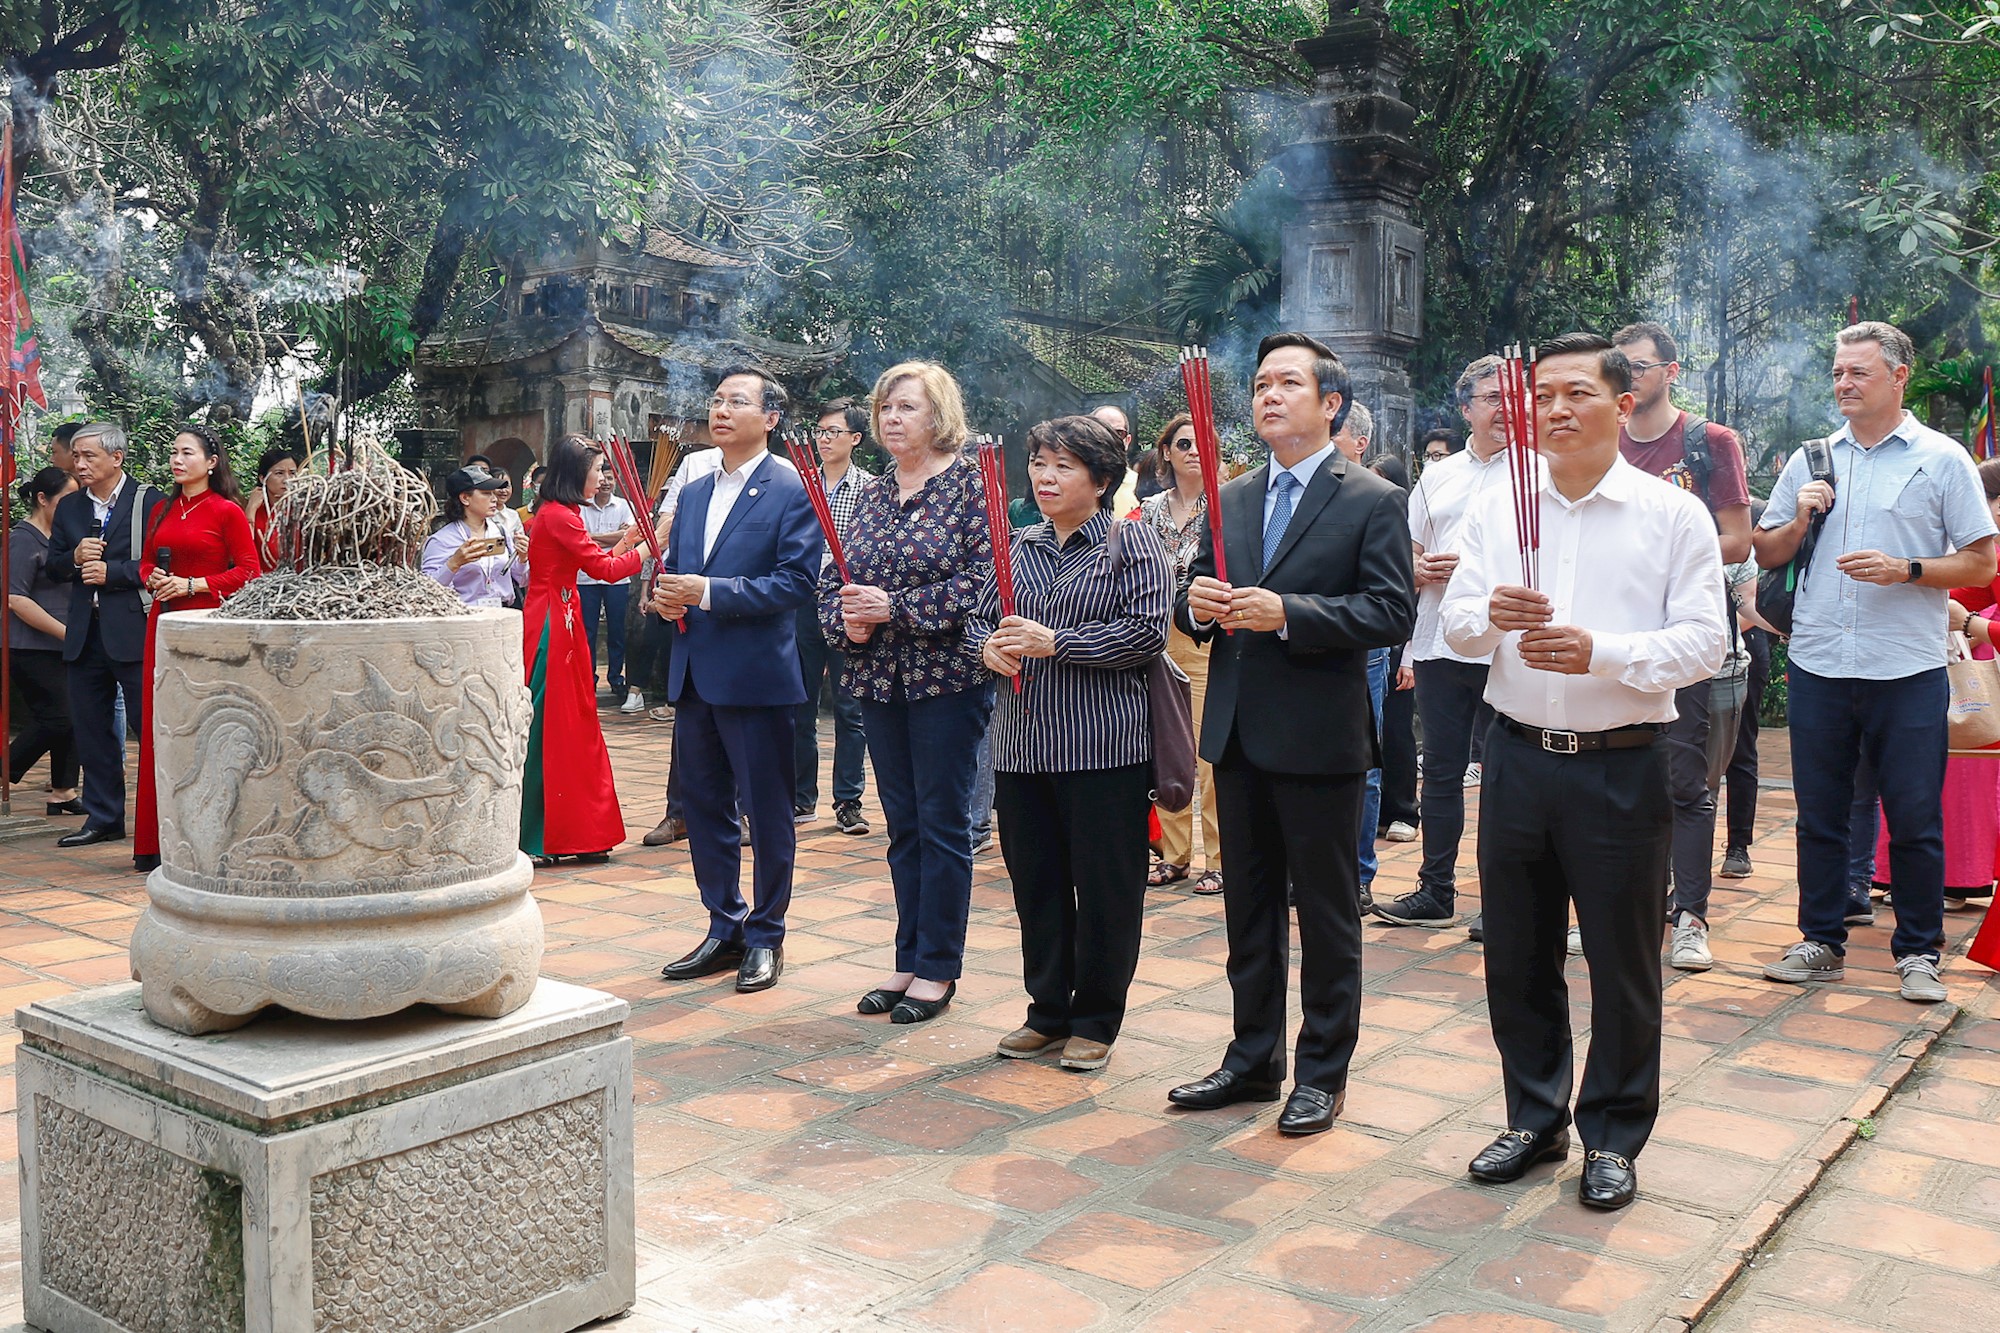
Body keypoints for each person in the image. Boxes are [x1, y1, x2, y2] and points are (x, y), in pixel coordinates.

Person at [1443, 331, 1727, 1211]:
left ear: (1623, 403)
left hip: (1621, 765)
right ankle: (1533, 1116)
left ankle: (1613, 1133)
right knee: (1517, 955)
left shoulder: (1670, 513)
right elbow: (1454, 627)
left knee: (1622, 959)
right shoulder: (1499, 506)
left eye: (1577, 394)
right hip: (1518, 757)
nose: (1557, 410)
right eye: (1543, 396)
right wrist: (1488, 614)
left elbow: (1705, 642)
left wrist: (1602, 651)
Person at [1165, 332, 1416, 1136]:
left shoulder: (1370, 497)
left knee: (1329, 915)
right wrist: (1193, 608)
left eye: (1288, 383)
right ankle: (1251, 1059)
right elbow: (1195, 598)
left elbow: (1391, 612)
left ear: (1330, 403)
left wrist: (1293, 615)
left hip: (1320, 738)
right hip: (1238, 733)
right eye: (1262, 384)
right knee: (1249, 910)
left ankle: (1322, 1073)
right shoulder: (1233, 497)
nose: (1269, 395)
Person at [1755, 321, 1997, 1005]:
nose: (1843, 384)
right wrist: (1799, 519)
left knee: (1915, 814)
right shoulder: (1811, 458)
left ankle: (1919, 950)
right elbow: (1767, 551)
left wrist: (1908, 569)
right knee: (1820, 814)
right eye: (1837, 372)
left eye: (1858, 372)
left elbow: (1982, 559)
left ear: (1898, 376)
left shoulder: (1942, 458)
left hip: (1908, 669)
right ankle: (1821, 940)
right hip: (1821, 664)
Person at [968, 415, 1173, 1070]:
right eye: (1039, 463)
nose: (1046, 476)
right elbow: (976, 621)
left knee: (1108, 888)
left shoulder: (1131, 544)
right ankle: (1046, 1010)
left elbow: (1146, 633)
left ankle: (1097, 1018)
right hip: (1022, 748)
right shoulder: (1015, 544)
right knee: (1037, 885)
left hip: (1103, 749)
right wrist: (988, 649)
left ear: (1102, 477)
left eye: (1063, 465)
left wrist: (1059, 642)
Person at [822, 361, 993, 1026]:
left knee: (944, 824)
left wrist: (896, 606)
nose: (892, 418)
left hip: (947, 677)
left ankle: (939, 965)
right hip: (877, 679)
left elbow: (987, 581)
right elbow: (833, 578)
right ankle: (907, 955)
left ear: (939, 414)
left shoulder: (971, 482)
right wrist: (849, 619)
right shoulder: (870, 492)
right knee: (903, 826)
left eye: (908, 408)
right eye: (886, 406)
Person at [652, 367, 821, 994]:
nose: (721, 410)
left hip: (756, 676)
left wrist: (710, 592)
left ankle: (767, 933)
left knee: (767, 810)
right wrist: (668, 597)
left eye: (737, 401)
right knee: (704, 805)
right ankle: (724, 923)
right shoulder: (693, 488)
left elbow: (798, 583)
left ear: (771, 418)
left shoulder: (790, 488)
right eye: (717, 400)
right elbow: (679, 573)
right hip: (695, 670)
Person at [1610, 322, 1752, 972]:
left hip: (1686, 629)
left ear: (1670, 370)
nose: (1630, 377)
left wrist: (1661, 550)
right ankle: (1622, 909)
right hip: (1611, 630)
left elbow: (1739, 539)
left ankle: (1690, 916)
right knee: (1615, 773)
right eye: (1622, 368)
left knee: (1686, 778)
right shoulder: (1603, 440)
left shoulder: (1708, 442)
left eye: (1641, 366)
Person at [1375, 356, 1512, 933]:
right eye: (1491, 398)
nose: (1507, 408)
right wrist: (1420, 567)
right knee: (1445, 770)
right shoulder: (1439, 475)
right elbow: (1404, 548)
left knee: (1509, 775)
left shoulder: (1540, 472)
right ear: (1466, 409)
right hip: (1439, 639)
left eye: (1514, 397)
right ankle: (1436, 889)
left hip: (1509, 643)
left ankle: (1506, 902)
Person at [134, 424, 263, 871]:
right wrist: (150, 575)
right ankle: (155, 841)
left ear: (211, 462)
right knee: (160, 724)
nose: (177, 460)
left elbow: (250, 571)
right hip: (163, 621)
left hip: (205, 622)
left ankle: (209, 836)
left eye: (187, 453)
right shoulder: (162, 509)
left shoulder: (226, 511)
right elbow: (147, 560)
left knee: (199, 726)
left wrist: (194, 583)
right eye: (174, 453)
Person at [520, 433, 646, 865]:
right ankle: (543, 836)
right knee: (553, 726)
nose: (602, 478)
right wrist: (650, 546)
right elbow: (604, 570)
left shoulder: (560, 512)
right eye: (597, 471)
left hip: (561, 614)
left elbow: (594, 557)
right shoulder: (561, 515)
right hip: (554, 622)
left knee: (571, 722)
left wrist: (630, 540)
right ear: (577, 473)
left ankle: (575, 833)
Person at [46, 423, 164, 850]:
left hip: (132, 629)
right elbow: (54, 564)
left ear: (116, 457)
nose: (79, 464)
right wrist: (73, 558)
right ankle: (104, 817)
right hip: (84, 631)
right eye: (76, 456)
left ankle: (160, 819)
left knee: (146, 727)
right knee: (92, 729)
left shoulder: (149, 501)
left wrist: (113, 573)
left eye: (89, 456)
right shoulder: (71, 507)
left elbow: (162, 563)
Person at [1139, 413, 1224, 895]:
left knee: (1209, 756)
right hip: (1154, 638)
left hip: (1205, 640)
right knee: (1166, 748)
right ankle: (1174, 855)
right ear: (1166, 452)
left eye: (1202, 444)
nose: (1193, 451)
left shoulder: (1226, 506)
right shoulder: (1147, 510)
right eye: (1183, 443)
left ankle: (1220, 857)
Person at [793, 398, 876, 834]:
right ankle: (801, 798)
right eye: (820, 432)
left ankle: (849, 801)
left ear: (855, 439)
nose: (824, 440)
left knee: (849, 709)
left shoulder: (871, 489)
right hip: (802, 601)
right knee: (800, 704)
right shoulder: (800, 484)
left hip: (846, 602)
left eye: (834, 432)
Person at [1332, 403, 1392, 907]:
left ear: (1359, 444)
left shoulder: (1373, 499)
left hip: (1363, 652)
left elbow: (1389, 602)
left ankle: (1359, 871)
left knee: (1363, 764)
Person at [8, 466, 81, 814]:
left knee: (77, 712)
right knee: (58, 716)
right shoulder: (23, 538)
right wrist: (66, 633)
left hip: (65, 644)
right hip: (30, 646)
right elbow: (15, 599)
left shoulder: (63, 539)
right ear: (42, 499)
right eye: (67, 499)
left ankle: (64, 791)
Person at [1719, 498, 1779, 880]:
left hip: (1742, 648)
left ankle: (1739, 844)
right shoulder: (1677, 510)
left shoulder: (1754, 515)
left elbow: (1749, 604)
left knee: (1741, 747)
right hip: (1696, 655)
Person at [1370, 454, 1421, 844]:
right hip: (1366, 643)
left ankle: (1404, 808)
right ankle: (1380, 812)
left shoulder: (1410, 535)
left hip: (1400, 646)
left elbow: (1416, 604)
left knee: (1399, 730)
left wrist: (1410, 657)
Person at [422, 466, 528, 608]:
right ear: (465, 498)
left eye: (493, 493)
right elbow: (426, 590)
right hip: (465, 618)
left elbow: (522, 580)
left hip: (503, 614)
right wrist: (453, 563)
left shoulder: (500, 531)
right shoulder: (441, 540)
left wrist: (522, 558)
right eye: (486, 493)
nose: (494, 499)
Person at [576, 466, 638, 708]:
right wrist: (617, 536)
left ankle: (616, 679)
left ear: (616, 481)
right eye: (602, 477)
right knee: (587, 631)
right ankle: (588, 680)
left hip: (617, 577)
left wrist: (594, 537)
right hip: (586, 577)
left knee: (617, 630)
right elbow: (581, 536)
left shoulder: (623, 506)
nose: (605, 482)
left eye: (610, 478)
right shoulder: (581, 506)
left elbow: (631, 535)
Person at [244, 446, 301, 561]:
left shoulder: (305, 510)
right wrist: (250, 511)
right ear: (262, 478)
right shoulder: (255, 511)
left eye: (292, 473)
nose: (287, 479)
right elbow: (242, 552)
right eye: (279, 473)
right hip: (262, 578)